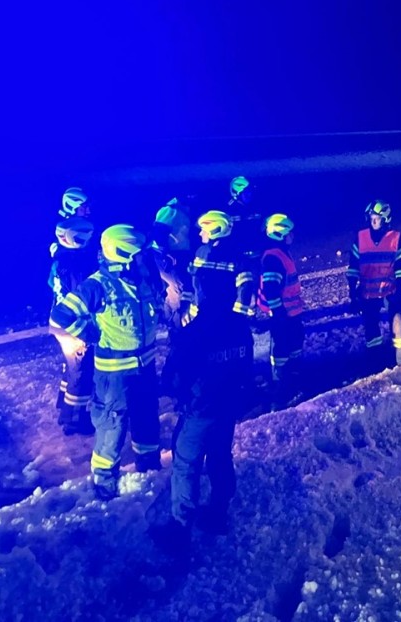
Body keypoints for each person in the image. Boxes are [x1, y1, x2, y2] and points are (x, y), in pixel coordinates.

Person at [149, 210, 258, 551]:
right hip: (228, 405)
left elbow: (172, 379)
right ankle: (218, 512)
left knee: (186, 463)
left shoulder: (193, 332)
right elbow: (246, 371)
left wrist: (172, 393)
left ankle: (180, 530)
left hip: (199, 408)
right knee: (221, 455)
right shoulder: (240, 327)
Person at [50, 225, 165, 500]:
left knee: (147, 421)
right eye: (140, 254)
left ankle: (149, 472)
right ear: (125, 253)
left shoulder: (142, 280)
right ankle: (104, 486)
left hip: (145, 370)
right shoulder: (98, 285)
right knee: (111, 428)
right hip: (114, 376)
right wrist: (89, 334)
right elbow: (60, 317)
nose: (144, 258)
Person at [346, 200, 401, 369]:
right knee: (371, 330)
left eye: (377, 218)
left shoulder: (396, 238)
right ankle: (375, 363)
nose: (373, 221)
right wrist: (352, 293)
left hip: (389, 292)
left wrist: (398, 292)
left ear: (386, 219)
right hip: (367, 293)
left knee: (398, 325)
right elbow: (353, 267)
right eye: (371, 218)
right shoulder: (360, 238)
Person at [48, 216, 98, 435]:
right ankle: (74, 420)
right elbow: (82, 295)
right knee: (82, 371)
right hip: (74, 326)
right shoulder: (76, 264)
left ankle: (64, 405)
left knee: (72, 369)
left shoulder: (61, 258)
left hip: (61, 322)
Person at [257, 214, 304, 403]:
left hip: (290, 313)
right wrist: (278, 315)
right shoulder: (273, 258)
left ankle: (292, 378)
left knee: (292, 344)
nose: (292, 236)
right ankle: (281, 387)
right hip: (283, 314)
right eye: (289, 233)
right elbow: (271, 290)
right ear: (281, 234)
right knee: (281, 349)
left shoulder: (280, 253)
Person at [149, 198, 194, 328]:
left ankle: (173, 321)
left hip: (179, 254)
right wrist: (165, 254)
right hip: (168, 256)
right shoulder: (170, 211)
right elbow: (158, 234)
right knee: (177, 288)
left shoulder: (183, 210)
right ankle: (176, 325)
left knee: (178, 288)